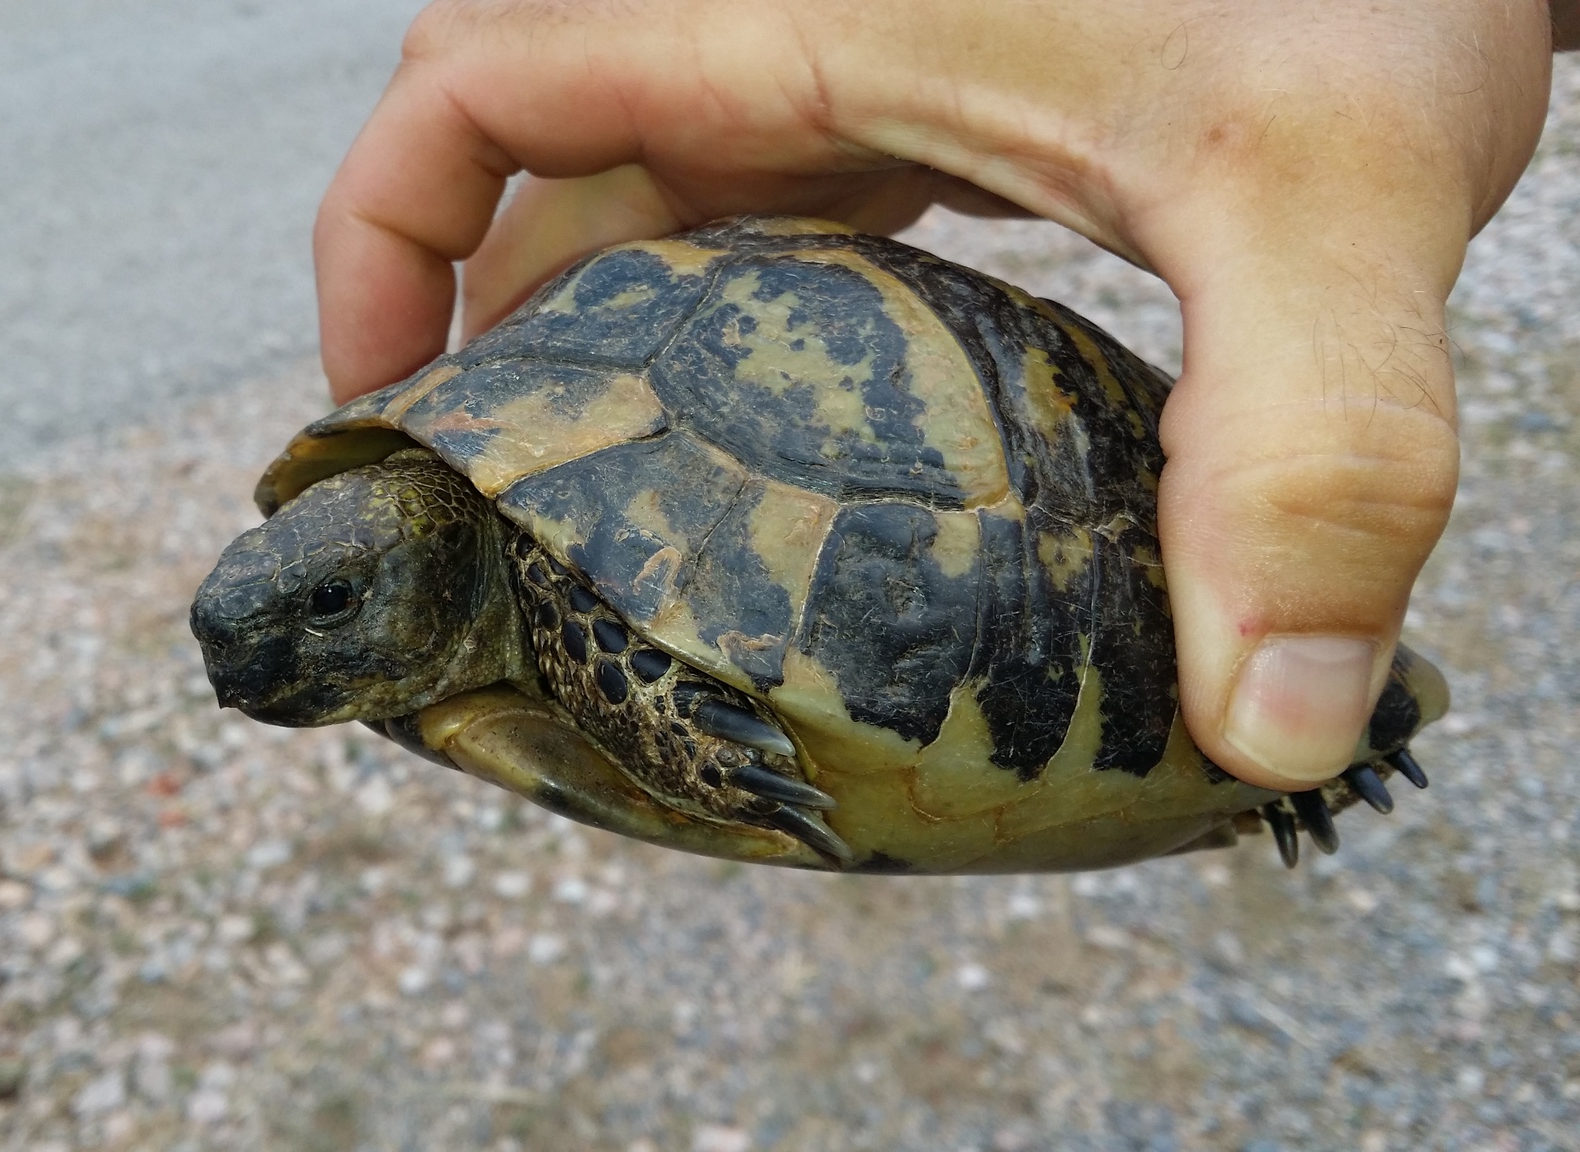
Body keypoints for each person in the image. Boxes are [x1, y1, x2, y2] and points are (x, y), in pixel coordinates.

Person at [312, 0, 1568, 793]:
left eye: (330, 605)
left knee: (582, 598)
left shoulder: (554, 591)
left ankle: (1312, 757)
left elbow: (595, 577)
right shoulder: (444, 510)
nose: (277, 636)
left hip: (995, 468)